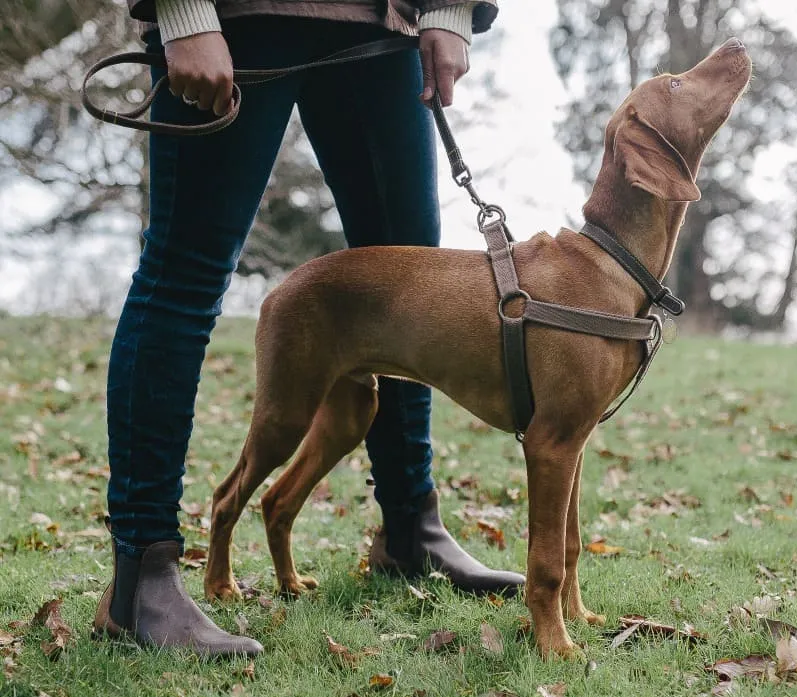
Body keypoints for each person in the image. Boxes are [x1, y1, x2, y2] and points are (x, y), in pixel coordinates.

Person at [93, 0, 524, 657]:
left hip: (381, 28)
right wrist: (183, 12)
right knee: (184, 279)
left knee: (410, 285)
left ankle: (410, 530)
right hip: (240, 19)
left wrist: (450, 9)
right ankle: (141, 578)